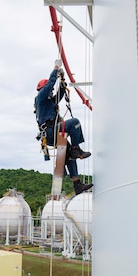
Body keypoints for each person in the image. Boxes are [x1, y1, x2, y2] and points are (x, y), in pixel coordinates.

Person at [35, 59, 93, 195]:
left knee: (69, 157)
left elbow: (60, 94)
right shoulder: (40, 98)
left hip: (53, 133)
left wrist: (62, 79)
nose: (51, 92)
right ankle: (75, 149)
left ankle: (77, 184)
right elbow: (50, 85)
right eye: (49, 91)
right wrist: (56, 69)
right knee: (74, 123)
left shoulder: (49, 102)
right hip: (50, 132)